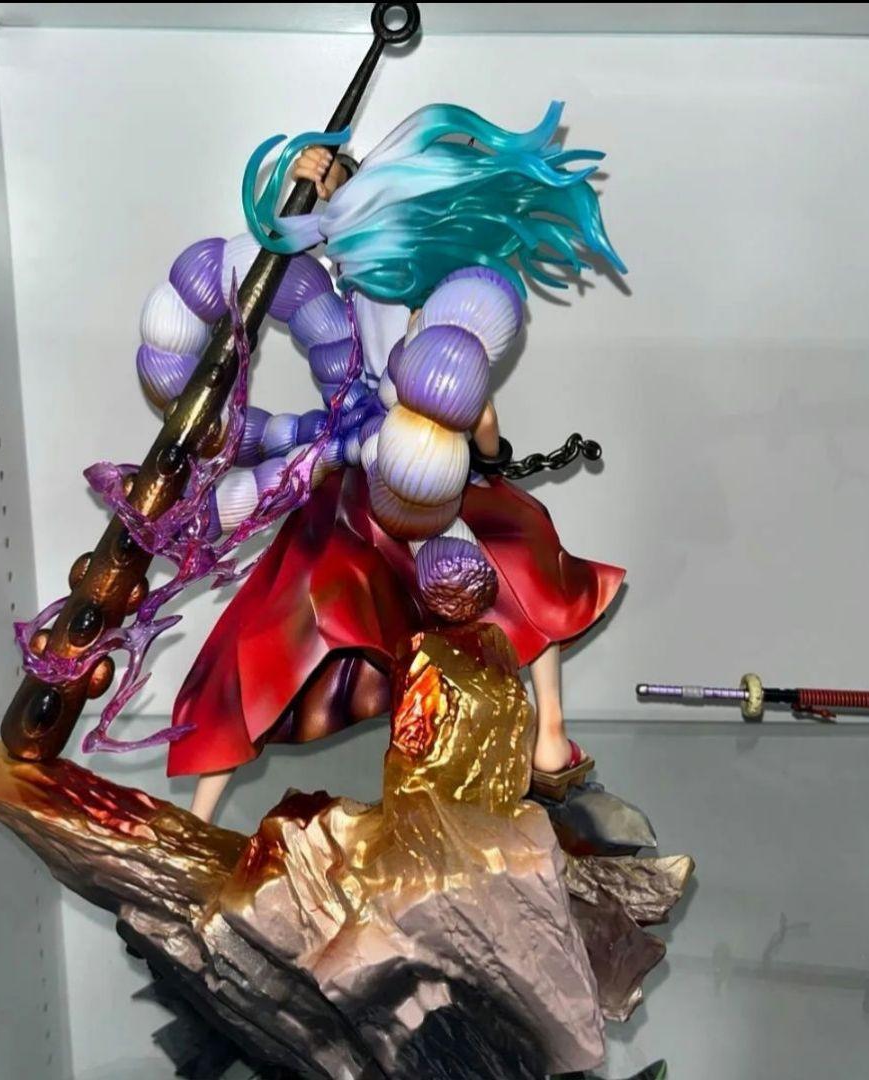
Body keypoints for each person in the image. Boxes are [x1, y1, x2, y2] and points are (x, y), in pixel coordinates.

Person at [142, 104, 626, 821]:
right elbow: (288, 242)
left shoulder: (429, 293)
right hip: (366, 471)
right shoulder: (366, 271)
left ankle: (548, 737)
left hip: (420, 470)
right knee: (283, 618)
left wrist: (477, 445)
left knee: (517, 563)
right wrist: (310, 174)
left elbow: (471, 413)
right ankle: (202, 807)